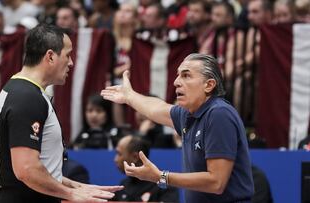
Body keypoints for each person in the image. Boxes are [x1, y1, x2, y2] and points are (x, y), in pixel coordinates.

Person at [0, 24, 123, 203]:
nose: (71, 63)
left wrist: (77, 187)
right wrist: (71, 195)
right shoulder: (27, 98)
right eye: (67, 55)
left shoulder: (20, 90)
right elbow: (26, 169)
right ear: (50, 56)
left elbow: (41, 167)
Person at [101, 53, 254, 202]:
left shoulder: (219, 114)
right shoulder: (188, 114)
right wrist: (130, 96)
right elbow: (156, 108)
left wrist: (161, 176)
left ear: (209, 85)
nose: (176, 82)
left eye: (186, 75)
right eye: (178, 75)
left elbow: (216, 183)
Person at [112, 135, 179, 202]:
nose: (115, 159)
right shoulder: (123, 185)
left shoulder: (165, 187)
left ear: (135, 157)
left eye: (119, 154)